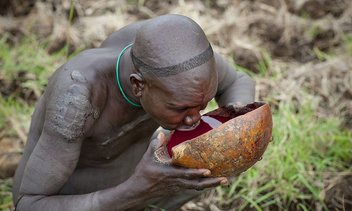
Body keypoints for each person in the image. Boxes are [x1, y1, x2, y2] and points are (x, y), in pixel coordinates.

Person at [12, 14, 255, 210]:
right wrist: (137, 191)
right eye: (180, 108)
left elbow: (236, 81)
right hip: (78, 201)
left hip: (141, 187)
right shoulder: (80, 94)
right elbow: (30, 204)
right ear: (138, 85)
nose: (194, 119)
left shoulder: (181, 60)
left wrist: (236, 129)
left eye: (201, 107)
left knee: (220, 165)